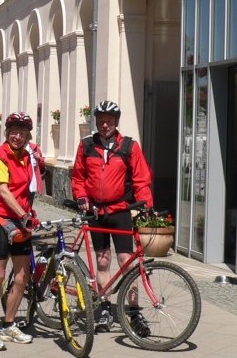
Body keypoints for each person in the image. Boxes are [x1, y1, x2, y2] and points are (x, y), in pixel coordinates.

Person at [71, 100, 154, 331]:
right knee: (103, 261)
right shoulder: (86, 145)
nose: (105, 124)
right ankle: (106, 308)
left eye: (109, 120)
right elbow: (78, 176)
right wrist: (81, 196)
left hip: (120, 211)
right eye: (101, 120)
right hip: (96, 212)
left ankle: (134, 312)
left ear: (116, 122)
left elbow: (141, 178)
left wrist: (146, 203)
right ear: (96, 122)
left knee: (127, 262)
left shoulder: (129, 146)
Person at [0, 112, 40, 351]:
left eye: (22, 132)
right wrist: (24, 215)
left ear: (28, 135)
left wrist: (30, 213)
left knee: (22, 276)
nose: (17, 136)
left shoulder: (27, 156)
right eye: (13, 132)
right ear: (7, 133)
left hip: (21, 222)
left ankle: (10, 323)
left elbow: (32, 187)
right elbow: (4, 192)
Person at [25, 138, 45, 207]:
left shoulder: (34, 148)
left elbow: (42, 165)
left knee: (29, 203)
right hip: (21, 181)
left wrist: (39, 158)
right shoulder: (16, 147)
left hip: (32, 181)